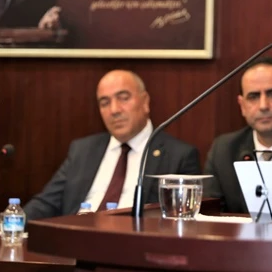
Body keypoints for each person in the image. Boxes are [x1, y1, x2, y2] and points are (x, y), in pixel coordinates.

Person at [23, 70, 201, 220]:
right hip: (76, 240)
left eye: (123, 98)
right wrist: (10, 225)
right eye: (105, 103)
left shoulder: (179, 156)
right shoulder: (82, 150)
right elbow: (46, 203)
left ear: (145, 101)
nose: (114, 110)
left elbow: (182, 219)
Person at [204, 57, 272, 214]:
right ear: (242, 105)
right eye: (253, 97)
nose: (263, 106)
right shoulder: (223, 151)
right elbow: (210, 216)